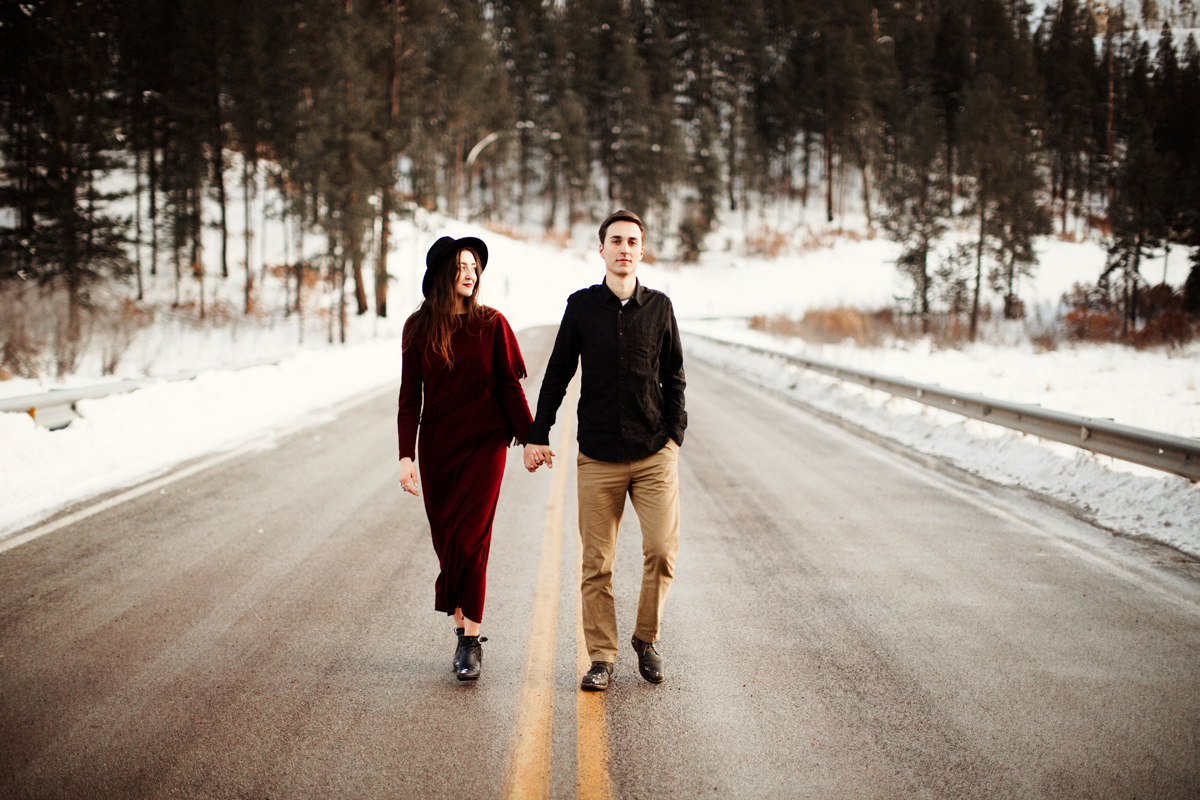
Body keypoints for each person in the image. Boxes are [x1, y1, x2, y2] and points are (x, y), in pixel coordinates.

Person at [524, 210, 686, 692]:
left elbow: (674, 375)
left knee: (661, 550)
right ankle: (601, 656)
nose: (624, 248)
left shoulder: (660, 308)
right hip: (597, 456)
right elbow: (557, 374)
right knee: (598, 563)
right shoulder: (580, 308)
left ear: (641, 250)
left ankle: (646, 638)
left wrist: (675, 433)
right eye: (615, 240)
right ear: (601, 250)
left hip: (654, 452)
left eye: (632, 241)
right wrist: (539, 432)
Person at [397, 235, 533, 682]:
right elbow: (408, 397)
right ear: (442, 273)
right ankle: (460, 627)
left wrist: (532, 437)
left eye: (475, 266)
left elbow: (511, 385)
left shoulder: (492, 324)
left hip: (484, 445)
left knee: (471, 537)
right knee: (447, 541)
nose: (472, 273)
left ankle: (469, 641)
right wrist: (405, 455)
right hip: (436, 447)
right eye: (462, 265)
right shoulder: (417, 329)